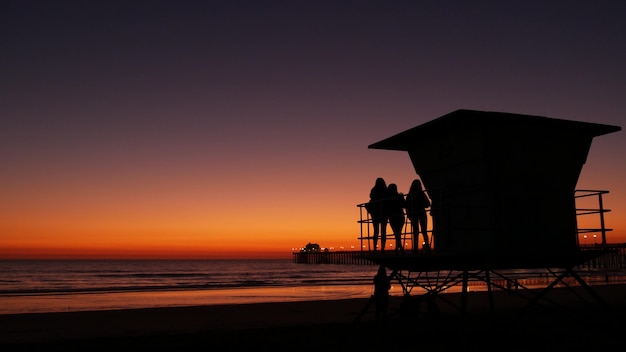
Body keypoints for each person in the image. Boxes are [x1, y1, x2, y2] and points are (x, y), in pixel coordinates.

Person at [405, 179, 431, 252]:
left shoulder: (410, 195)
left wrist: (409, 214)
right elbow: (428, 204)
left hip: (414, 214)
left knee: (415, 231)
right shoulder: (422, 194)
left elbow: (407, 206)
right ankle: (427, 247)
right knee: (424, 230)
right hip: (421, 213)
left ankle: (415, 248)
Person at [367, 177, 388, 253]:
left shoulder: (373, 190)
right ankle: (382, 249)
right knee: (383, 231)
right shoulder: (385, 191)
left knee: (376, 231)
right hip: (384, 212)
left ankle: (375, 249)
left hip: (375, 213)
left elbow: (371, 196)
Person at [385, 183, 406, 254]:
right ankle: (399, 248)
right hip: (400, 216)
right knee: (398, 232)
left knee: (396, 233)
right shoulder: (399, 196)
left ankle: (398, 248)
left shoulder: (388, 198)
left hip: (393, 216)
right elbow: (404, 205)